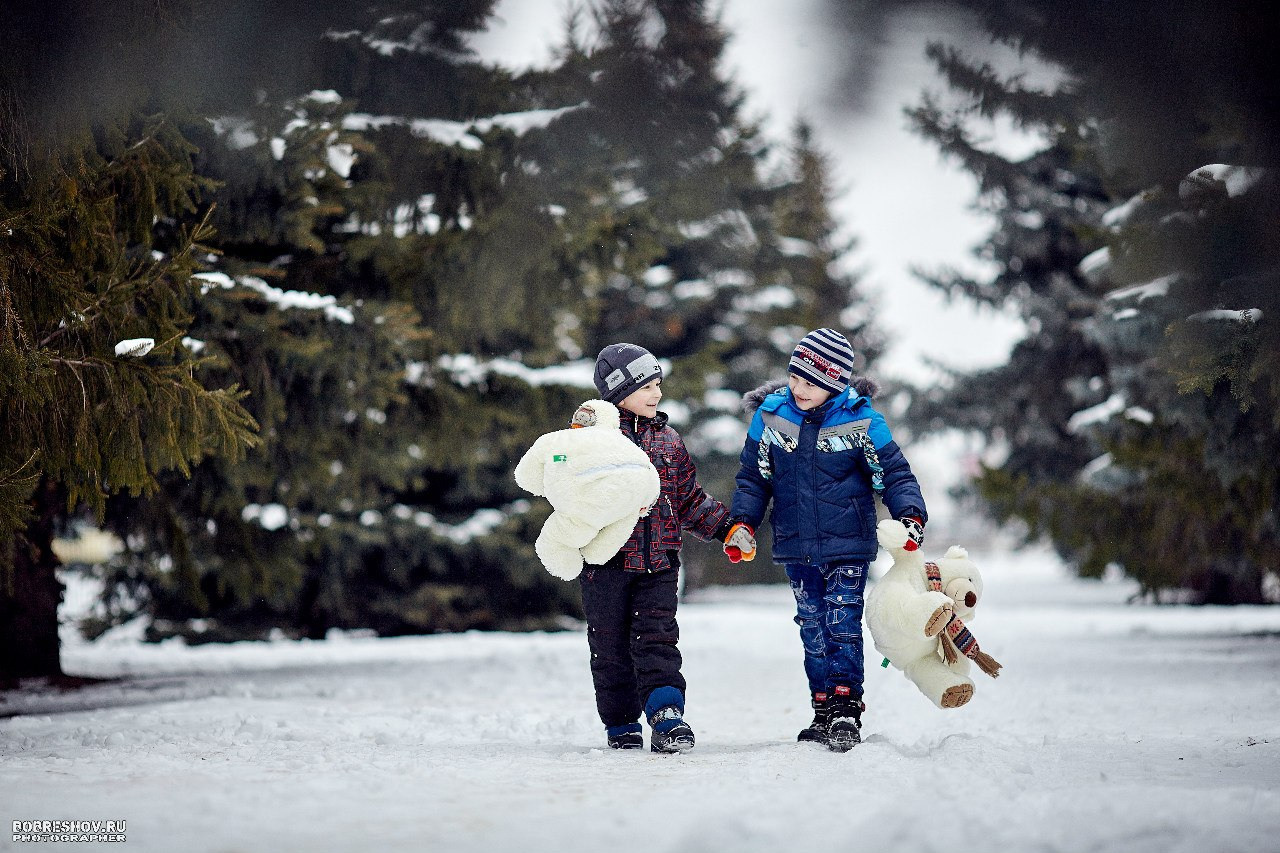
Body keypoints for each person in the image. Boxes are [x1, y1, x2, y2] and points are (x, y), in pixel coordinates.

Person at [726, 328, 927, 751]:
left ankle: (846, 708)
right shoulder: (772, 416)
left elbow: (893, 473)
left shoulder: (861, 420)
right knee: (812, 627)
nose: (799, 388)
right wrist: (742, 522)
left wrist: (908, 515)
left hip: (848, 543)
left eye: (810, 382)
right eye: (795, 377)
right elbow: (752, 478)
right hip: (797, 544)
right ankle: (821, 708)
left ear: (834, 381)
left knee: (842, 623)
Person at [578, 343, 736, 753]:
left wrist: (726, 528)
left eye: (658, 384)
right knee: (609, 646)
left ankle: (667, 716)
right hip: (606, 563)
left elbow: (688, 499)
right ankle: (621, 723)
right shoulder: (593, 441)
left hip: (660, 562)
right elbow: (571, 494)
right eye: (646, 385)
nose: (657, 393)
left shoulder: (669, 441)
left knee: (658, 639)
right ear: (618, 391)